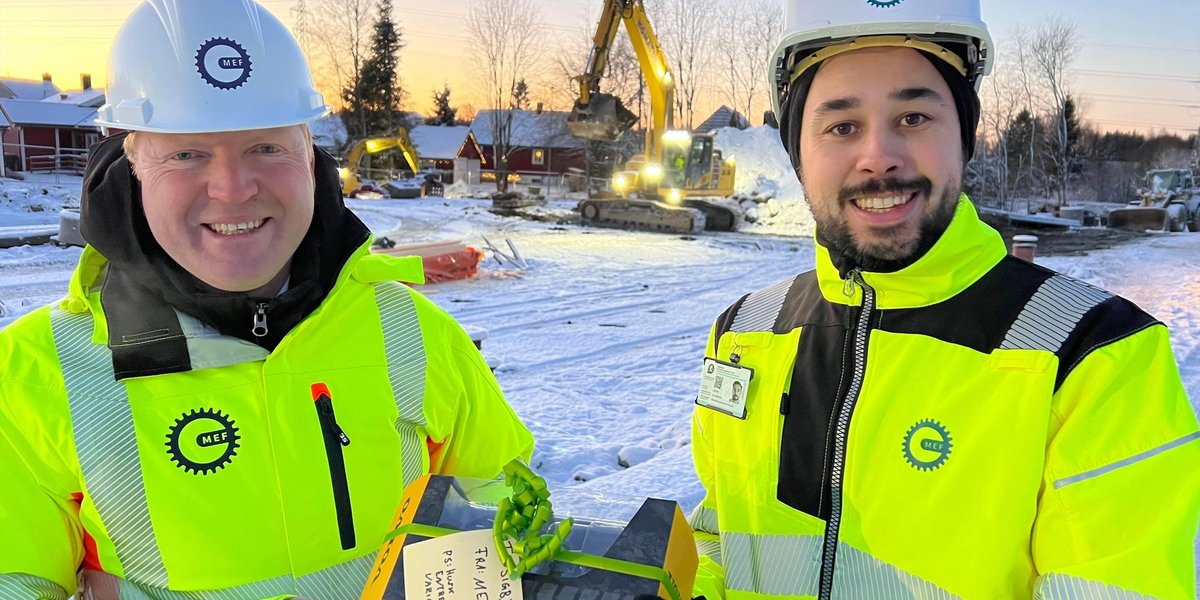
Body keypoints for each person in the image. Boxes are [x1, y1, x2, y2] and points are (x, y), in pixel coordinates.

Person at [0, 1, 533, 597]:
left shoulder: (417, 338)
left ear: (309, 155)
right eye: (186, 153)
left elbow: (509, 527)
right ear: (133, 163)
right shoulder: (35, 375)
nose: (233, 189)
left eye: (266, 148)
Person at [687, 0, 1200, 598]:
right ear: (799, 152)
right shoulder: (745, 335)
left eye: (914, 118)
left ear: (966, 137)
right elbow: (716, 540)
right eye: (841, 126)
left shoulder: (1095, 359)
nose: (879, 156)